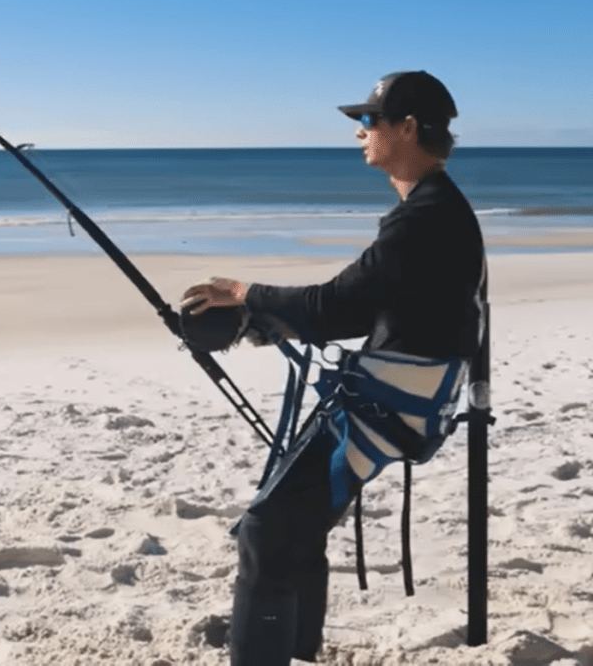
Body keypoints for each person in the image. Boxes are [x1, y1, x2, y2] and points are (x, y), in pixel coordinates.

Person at [180, 71, 486, 664]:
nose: (359, 134)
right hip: (403, 396)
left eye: (369, 122)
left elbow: (337, 303)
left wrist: (246, 293)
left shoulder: (421, 218)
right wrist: (269, 325)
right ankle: (297, 651)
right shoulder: (437, 209)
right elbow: (371, 305)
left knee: (265, 533)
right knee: (292, 528)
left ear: (407, 128)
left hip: (387, 405)